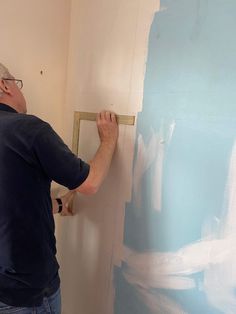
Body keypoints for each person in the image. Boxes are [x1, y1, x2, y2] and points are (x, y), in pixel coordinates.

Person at [0, 63, 118, 313]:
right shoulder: (28, 129)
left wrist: (61, 204)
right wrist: (108, 140)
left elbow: (13, 201)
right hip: (27, 292)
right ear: (4, 85)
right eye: (15, 82)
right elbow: (91, 183)